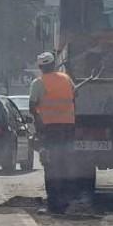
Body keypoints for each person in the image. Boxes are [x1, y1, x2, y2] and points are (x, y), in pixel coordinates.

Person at [29, 50, 78, 214]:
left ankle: (53, 204)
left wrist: (38, 128)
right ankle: (65, 201)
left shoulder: (38, 83)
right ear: (54, 64)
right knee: (64, 164)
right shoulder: (66, 79)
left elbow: (32, 107)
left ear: (40, 67)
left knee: (50, 166)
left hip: (50, 129)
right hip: (68, 129)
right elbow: (74, 95)